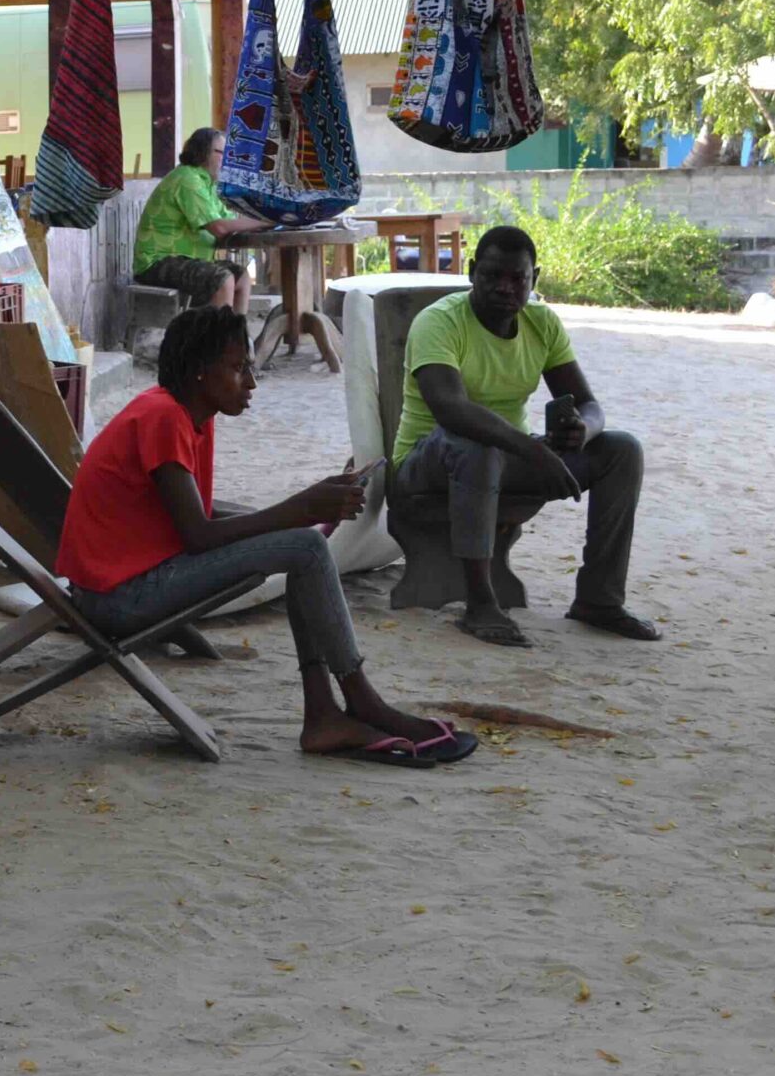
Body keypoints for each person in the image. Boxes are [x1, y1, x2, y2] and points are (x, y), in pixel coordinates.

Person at [55, 304, 471, 765]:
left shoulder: (186, 413)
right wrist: (298, 511)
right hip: (117, 598)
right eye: (238, 368)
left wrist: (297, 512)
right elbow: (198, 534)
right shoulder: (164, 417)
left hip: (123, 583)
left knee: (300, 546)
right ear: (198, 371)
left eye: (250, 367)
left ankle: (324, 714)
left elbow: (196, 512)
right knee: (305, 547)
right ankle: (360, 699)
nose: (251, 382)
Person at [388, 224, 656, 648]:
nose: (505, 287)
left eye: (518, 278)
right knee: (478, 445)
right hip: (426, 465)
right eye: (492, 275)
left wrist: (582, 430)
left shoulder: (541, 323)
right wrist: (532, 450)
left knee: (622, 450)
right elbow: (451, 410)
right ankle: (480, 603)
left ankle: (599, 601)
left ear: (535, 278)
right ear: (471, 272)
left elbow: (590, 404)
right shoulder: (439, 321)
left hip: (510, 457)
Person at [132, 127, 270, 314]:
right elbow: (219, 227)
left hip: (185, 260)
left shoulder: (207, 184)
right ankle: (218, 332)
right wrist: (265, 221)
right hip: (157, 263)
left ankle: (237, 330)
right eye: (222, 153)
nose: (227, 160)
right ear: (203, 152)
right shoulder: (187, 179)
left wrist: (262, 220)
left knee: (242, 277)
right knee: (223, 279)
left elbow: (228, 221)